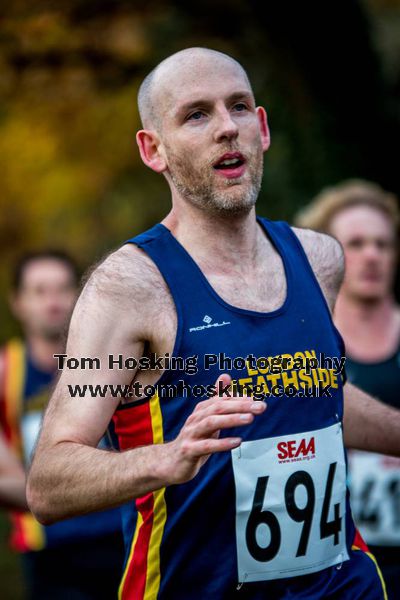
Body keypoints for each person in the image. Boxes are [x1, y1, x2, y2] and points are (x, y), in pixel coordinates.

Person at [26, 48, 400, 599]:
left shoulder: (320, 259)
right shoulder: (126, 288)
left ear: (263, 127)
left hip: (344, 585)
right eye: (196, 115)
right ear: (154, 150)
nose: (227, 127)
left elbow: (319, 394)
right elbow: (48, 483)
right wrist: (167, 458)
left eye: (240, 107)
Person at [295, 180, 400, 599]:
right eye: (355, 244)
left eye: (383, 243)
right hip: (334, 564)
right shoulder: (301, 344)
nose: (372, 255)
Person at [0, 251, 124, 599]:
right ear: (18, 302)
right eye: (39, 291)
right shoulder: (6, 372)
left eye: (62, 289)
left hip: (122, 533)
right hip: (50, 548)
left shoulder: (115, 362)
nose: (52, 302)